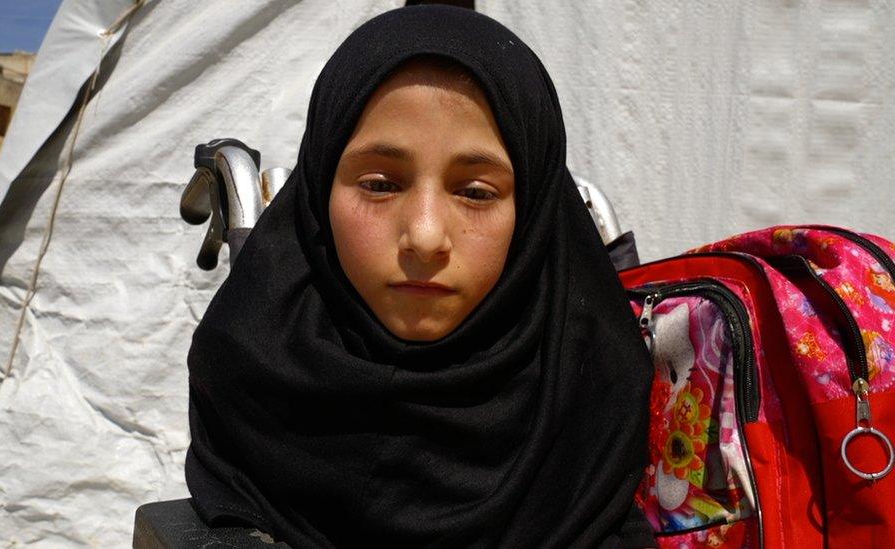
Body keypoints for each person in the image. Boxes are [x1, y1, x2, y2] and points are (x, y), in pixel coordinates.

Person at [185, 5, 654, 548]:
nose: (426, 236)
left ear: (531, 215)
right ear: (319, 188)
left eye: (476, 192)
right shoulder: (250, 378)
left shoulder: (592, 403)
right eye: (381, 185)